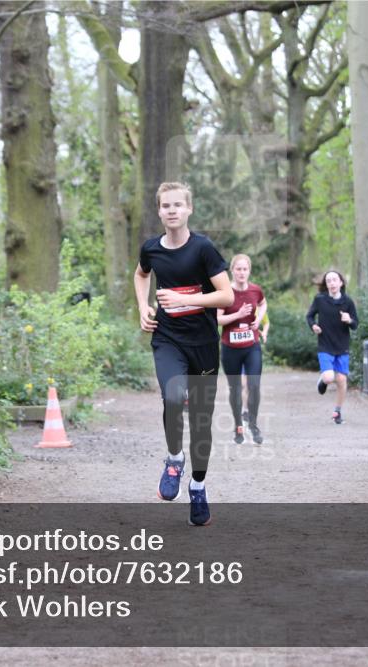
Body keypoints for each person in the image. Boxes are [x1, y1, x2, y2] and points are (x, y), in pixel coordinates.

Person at [134, 182, 234, 526]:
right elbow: (141, 274)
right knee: (173, 394)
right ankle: (174, 459)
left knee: (201, 424)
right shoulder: (151, 249)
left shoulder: (203, 249)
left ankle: (198, 486)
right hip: (167, 339)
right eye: (166, 206)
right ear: (159, 211)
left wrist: (186, 300)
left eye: (178, 204)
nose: (172, 210)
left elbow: (227, 297)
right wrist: (142, 307)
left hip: (204, 346)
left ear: (189, 209)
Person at [217, 254, 267, 445]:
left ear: (249, 271)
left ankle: (253, 425)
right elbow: (217, 319)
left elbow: (263, 304)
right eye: (238, 269)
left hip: (251, 346)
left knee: (254, 386)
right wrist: (237, 315)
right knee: (236, 389)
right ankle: (238, 425)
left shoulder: (255, 290)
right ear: (232, 270)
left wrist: (258, 318)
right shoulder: (225, 292)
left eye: (245, 269)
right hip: (230, 349)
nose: (241, 272)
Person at [305, 270, 358, 424]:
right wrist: (313, 325)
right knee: (329, 377)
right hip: (325, 344)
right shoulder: (320, 300)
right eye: (329, 281)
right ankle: (322, 380)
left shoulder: (348, 302)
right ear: (326, 285)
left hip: (342, 345)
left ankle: (337, 412)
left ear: (341, 283)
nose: (332, 283)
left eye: (335, 280)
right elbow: (309, 316)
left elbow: (355, 324)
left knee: (341, 379)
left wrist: (349, 320)